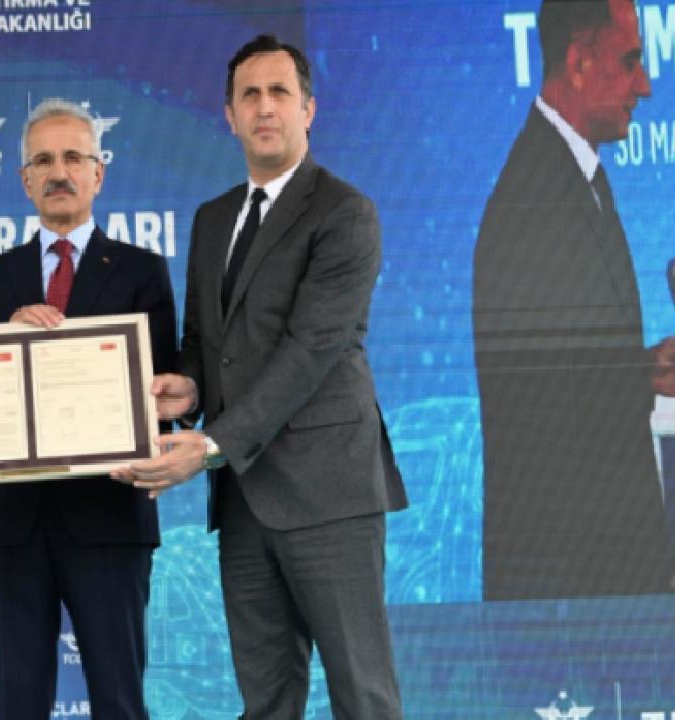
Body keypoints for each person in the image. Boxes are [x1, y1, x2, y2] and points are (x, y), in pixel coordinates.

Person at [114, 35, 406, 718]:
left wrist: (211, 444)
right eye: (250, 95)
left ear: (309, 109)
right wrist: (187, 389)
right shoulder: (213, 219)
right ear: (230, 115)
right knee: (267, 700)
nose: (265, 107)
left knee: (362, 695)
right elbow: (203, 342)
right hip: (245, 501)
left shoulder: (345, 212)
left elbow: (311, 350)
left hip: (329, 492)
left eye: (280, 92)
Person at [0, 98, 177, 719]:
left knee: (118, 700)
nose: (60, 172)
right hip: (13, 522)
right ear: (24, 179)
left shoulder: (141, 271)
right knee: (18, 704)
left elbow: (165, 387)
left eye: (74, 157)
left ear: (98, 173)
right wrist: (3, 337)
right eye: (44, 161)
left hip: (110, 515)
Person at [474, 0, 675, 600]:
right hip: (569, 584)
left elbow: (564, 364)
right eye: (630, 61)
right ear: (580, 63)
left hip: (597, 573)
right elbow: (536, 395)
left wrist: (644, 368)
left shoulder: (574, 176)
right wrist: (640, 376)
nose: (645, 85)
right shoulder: (534, 196)